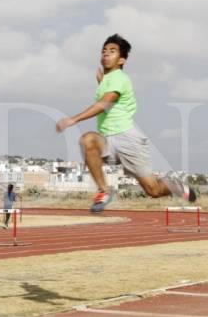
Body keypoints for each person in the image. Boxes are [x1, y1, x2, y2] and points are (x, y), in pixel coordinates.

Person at [55, 34, 196, 212]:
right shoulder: (108, 80)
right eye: (104, 51)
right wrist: (101, 82)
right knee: (88, 140)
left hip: (128, 141)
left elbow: (105, 103)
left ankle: (175, 186)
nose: (106, 54)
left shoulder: (120, 78)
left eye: (112, 51)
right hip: (107, 139)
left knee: (153, 190)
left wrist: (72, 119)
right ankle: (104, 191)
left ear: (121, 60)